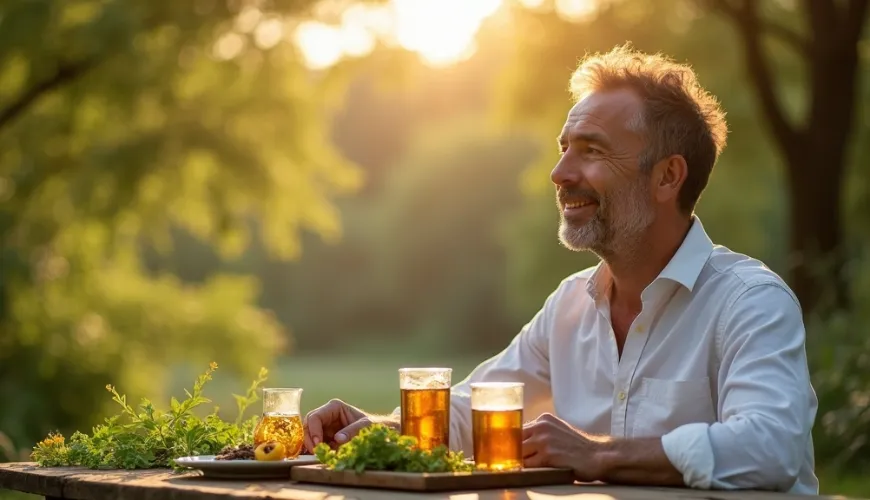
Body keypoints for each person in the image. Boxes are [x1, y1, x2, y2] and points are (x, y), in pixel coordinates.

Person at [302, 44, 819, 494]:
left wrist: (600, 454)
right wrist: (379, 427)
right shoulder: (571, 304)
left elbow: (771, 448)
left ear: (667, 176)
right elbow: (476, 413)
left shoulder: (749, 302)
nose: (559, 173)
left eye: (591, 151)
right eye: (564, 149)